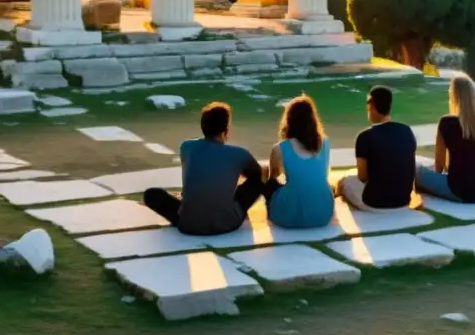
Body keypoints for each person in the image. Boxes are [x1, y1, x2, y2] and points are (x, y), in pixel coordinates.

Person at [143, 101, 265, 235]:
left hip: (188, 224)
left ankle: (195, 209)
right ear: (226, 130)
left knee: (151, 194)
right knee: (258, 182)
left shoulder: (187, 147)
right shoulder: (239, 153)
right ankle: (227, 209)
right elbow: (257, 175)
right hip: (227, 223)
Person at [415, 74, 475, 203]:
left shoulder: (446, 122)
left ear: (454, 96)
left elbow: (439, 167)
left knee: (417, 171)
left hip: (460, 190)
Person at [338, 85, 417, 210]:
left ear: (372, 106)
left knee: (345, 182)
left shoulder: (365, 136)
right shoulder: (407, 130)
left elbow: (362, 177)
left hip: (375, 203)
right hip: (404, 200)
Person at [262, 95, 335, 228]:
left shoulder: (280, 148)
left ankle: (275, 210)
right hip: (323, 214)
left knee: (268, 181)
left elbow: (274, 178)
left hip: (289, 217)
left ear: (289, 120)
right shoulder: (325, 142)